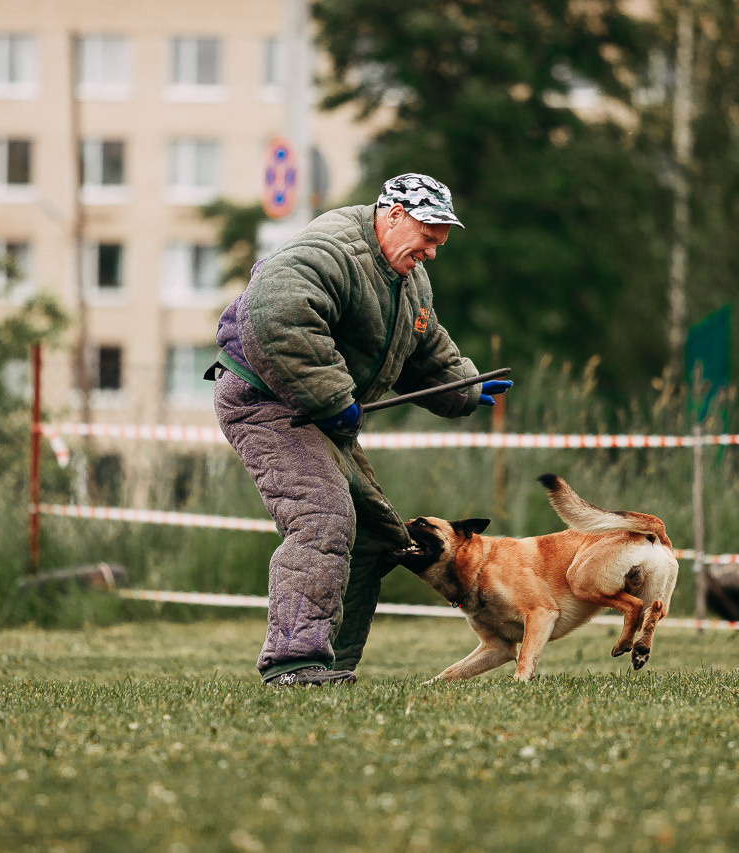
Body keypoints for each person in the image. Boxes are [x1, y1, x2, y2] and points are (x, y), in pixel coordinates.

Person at [207, 173, 512, 687]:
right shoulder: (329, 251)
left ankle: (332, 665)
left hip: (317, 408)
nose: (435, 250)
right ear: (394, 215)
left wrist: (461, 389)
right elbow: (276, 315)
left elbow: (425, 345)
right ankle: (293, 664)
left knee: (374, 535)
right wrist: (330, 397)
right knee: (323, 517)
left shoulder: (407, 276)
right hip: (265, 400)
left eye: (442, 237)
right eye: (430, 233)